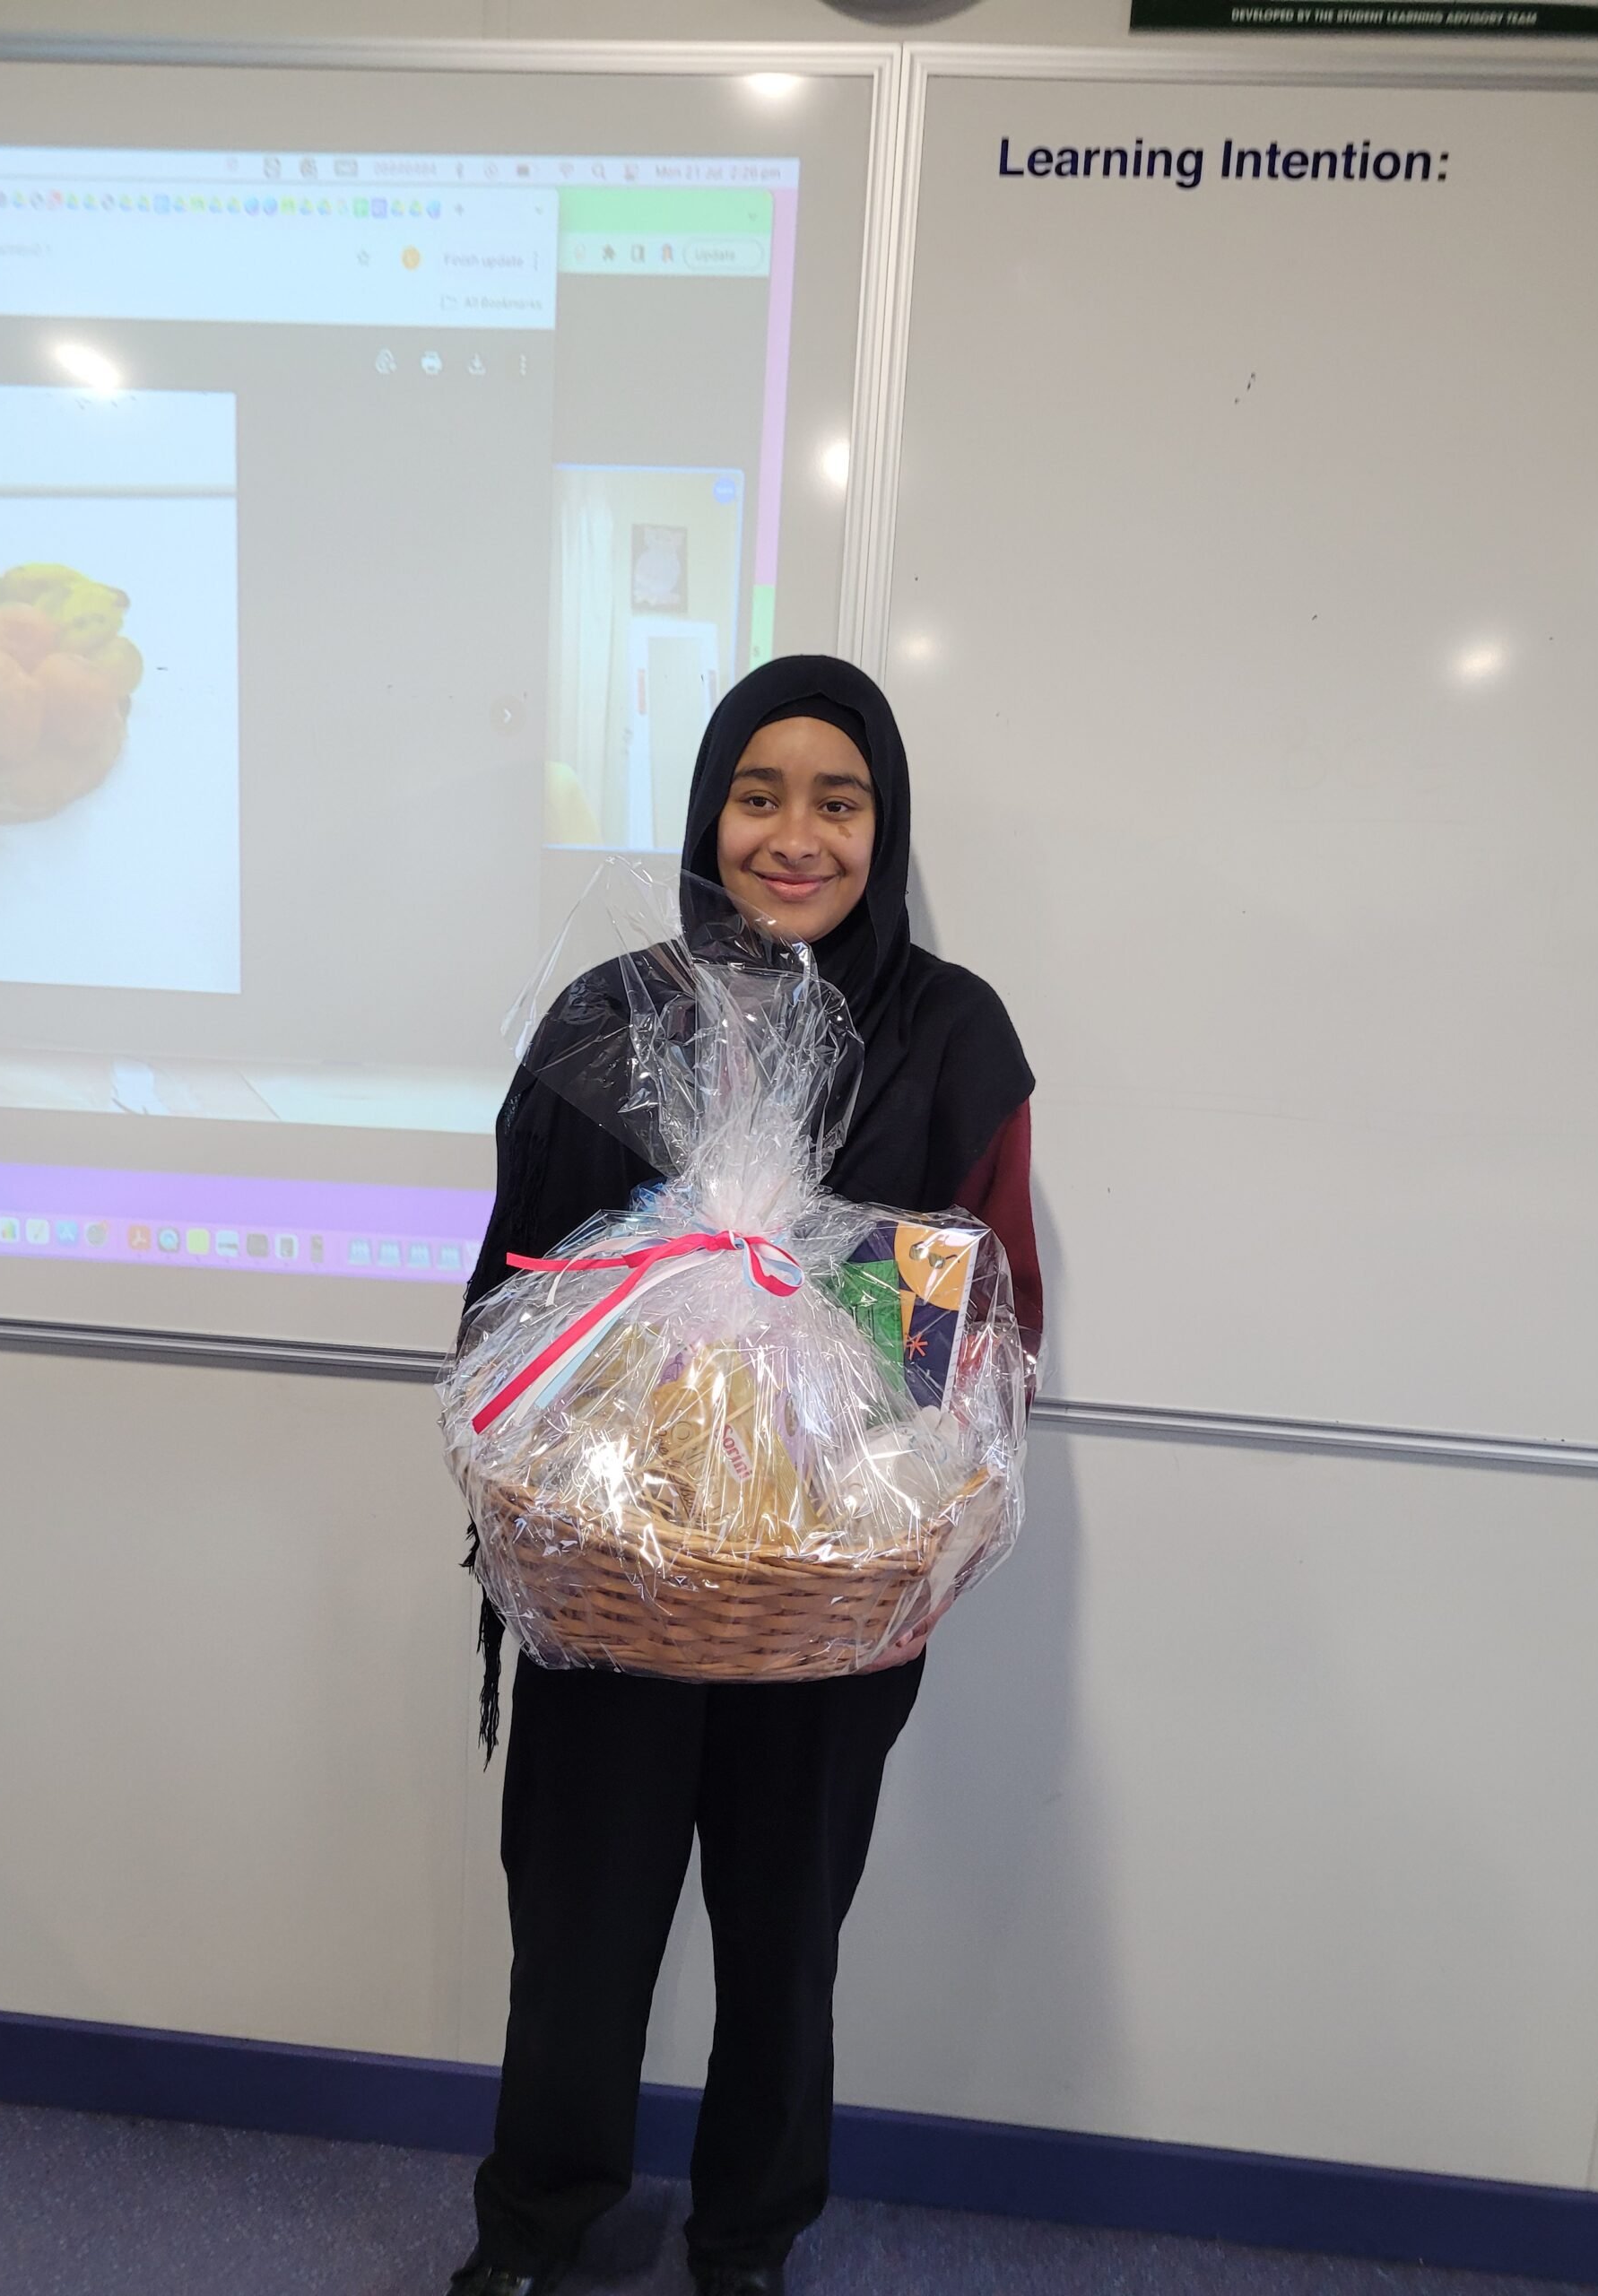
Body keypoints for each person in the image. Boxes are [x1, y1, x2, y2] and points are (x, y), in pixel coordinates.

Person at [449, 655, 1041, 2296]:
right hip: (614, 1577)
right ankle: (535, 2226)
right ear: (709, 814)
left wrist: (798, 1295)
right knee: (577, 1936)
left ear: (883, 825)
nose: (796, 836)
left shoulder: (949, 1034)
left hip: (829, 1597)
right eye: (757, 795)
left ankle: (749, 2241)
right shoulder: (612, 1016)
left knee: (786, 1952)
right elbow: (518, 1280)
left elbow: (987, 1322)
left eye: (837, 802)